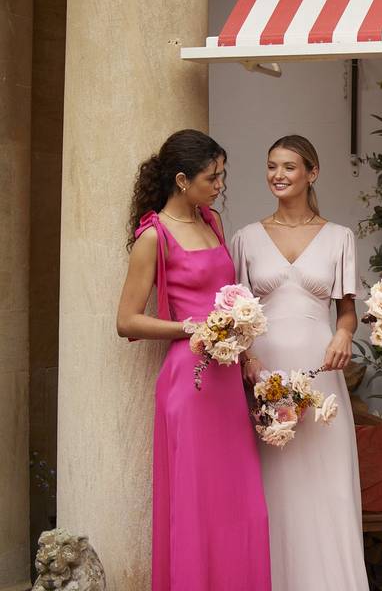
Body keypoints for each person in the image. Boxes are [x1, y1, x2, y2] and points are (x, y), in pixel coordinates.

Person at [116, 129, 271, 591]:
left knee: (240, 502)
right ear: (182, 180)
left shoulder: (212, 222)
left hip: (227, 381)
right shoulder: (154, 236)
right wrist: (191, 328)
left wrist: (246, 350)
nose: (220, 184)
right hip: (191, 381)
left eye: (221, 175)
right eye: (212, 177)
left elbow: (228, 299)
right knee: (196, 504)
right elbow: (127, 321)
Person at [231, 135, 368, 590]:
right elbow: (233, 313)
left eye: (289, 167)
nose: (278, 175)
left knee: (324, 485)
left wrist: (344, 334)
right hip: (264, 374)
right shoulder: (246, 238)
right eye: (272, 166)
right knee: (274, 486)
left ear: (312, 173)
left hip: (321, 373)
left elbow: (347, 311)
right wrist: (247, 358)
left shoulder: (339, 237)